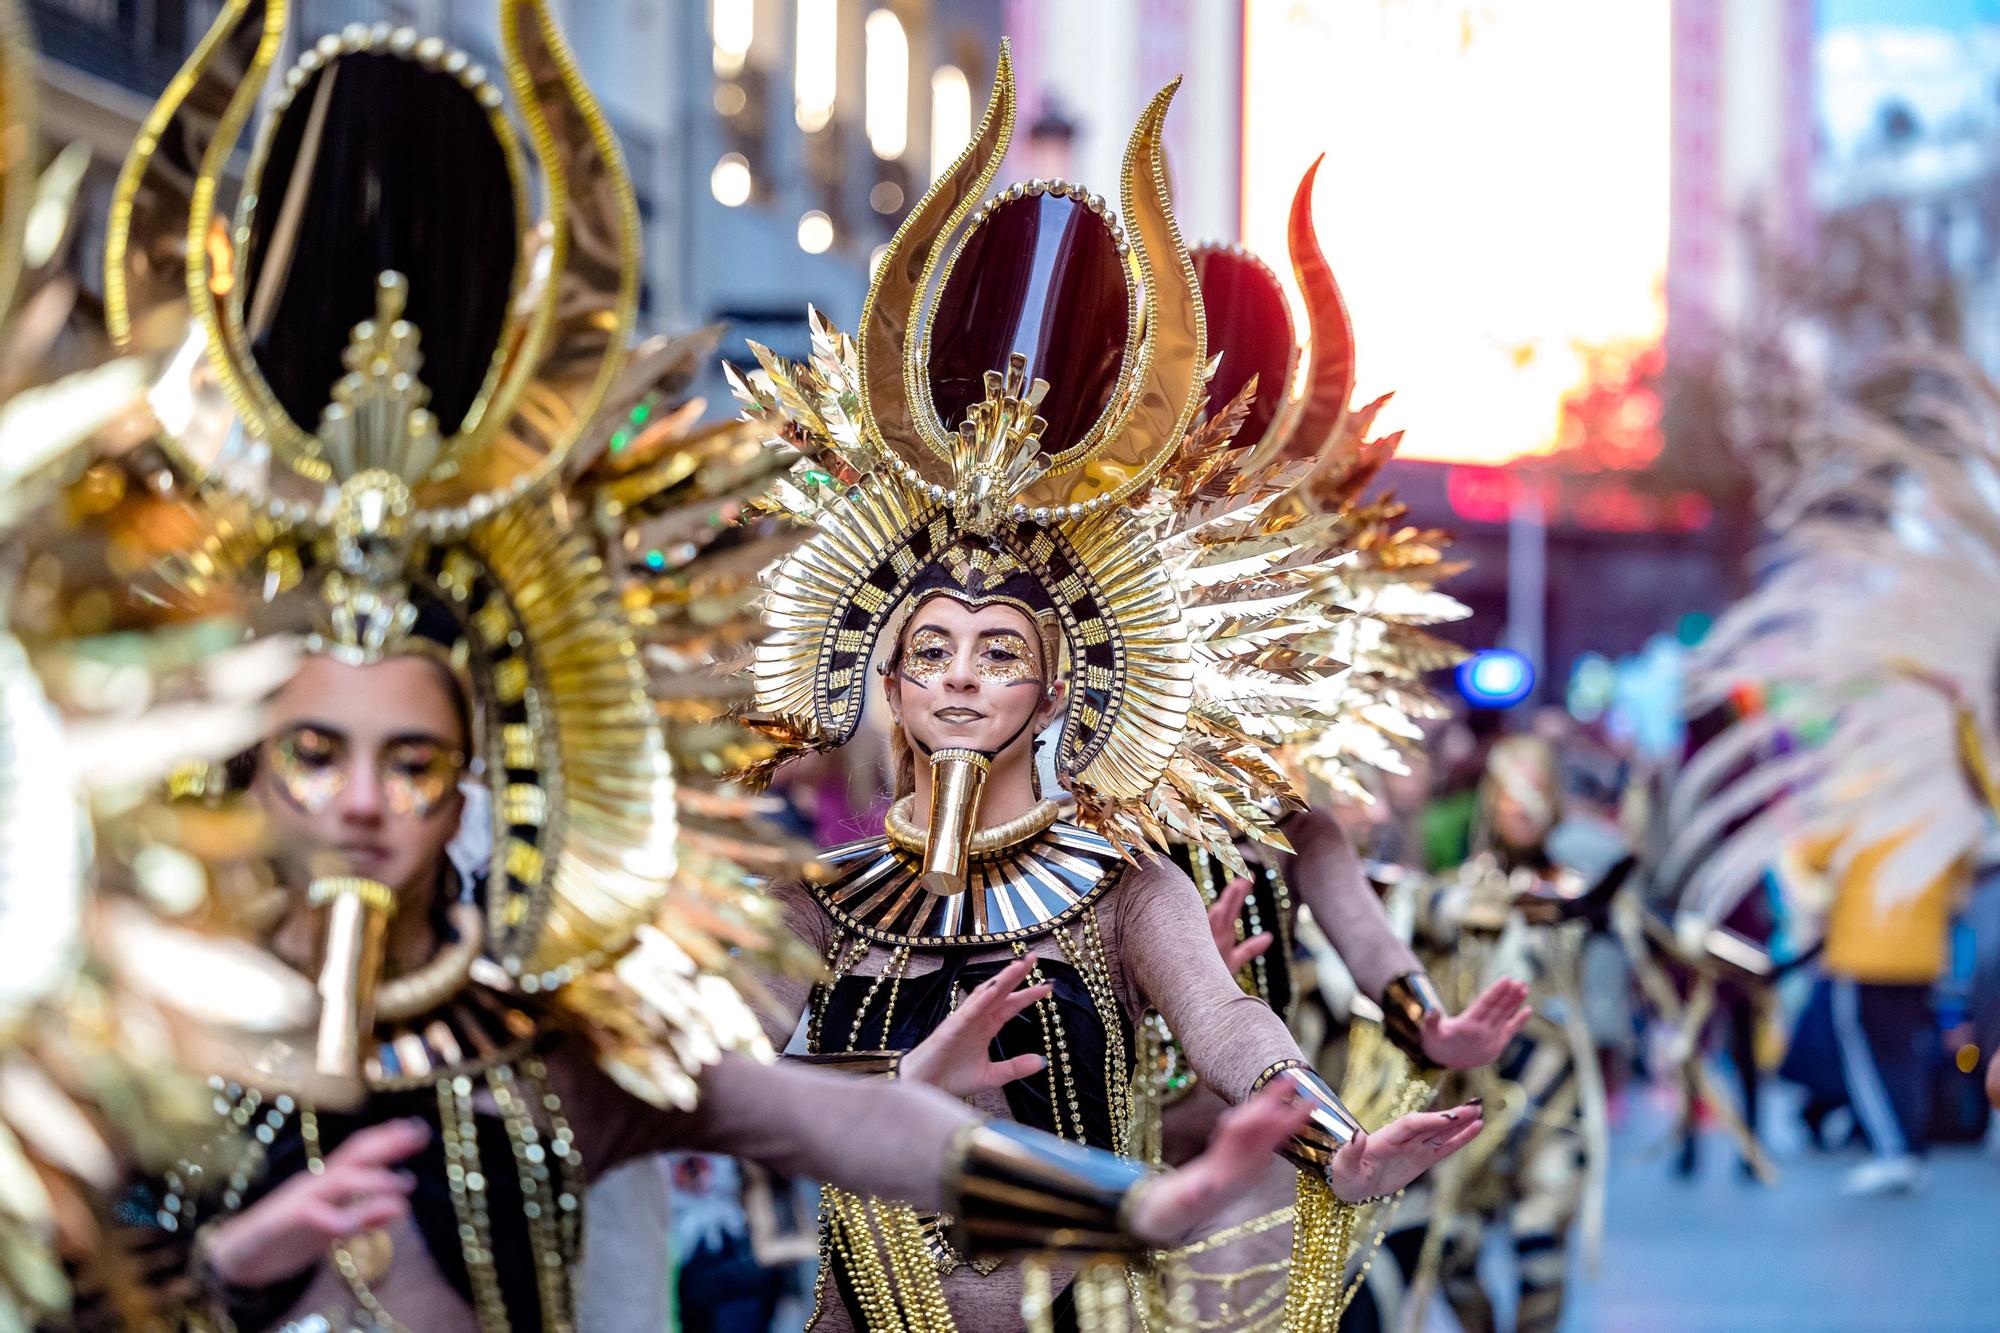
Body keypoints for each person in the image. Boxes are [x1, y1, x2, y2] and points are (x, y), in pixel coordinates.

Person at [101, 11, 1354, 1330]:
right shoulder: (141, 1021)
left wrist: (1136, 1205)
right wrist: (238, 1271)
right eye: (317, 752)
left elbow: (845, 1126)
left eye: (410, 760)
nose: (362, 800)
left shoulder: (554, 1046)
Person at [731, 54, 1484, 1331]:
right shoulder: (817, 900)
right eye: (930, 650)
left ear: (1059, 679)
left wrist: (1342, 1126)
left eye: (998, 652)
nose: (961, 679)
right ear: (882, 673)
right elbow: (735, 1102)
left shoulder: (1127, 887)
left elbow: (1231, 1024)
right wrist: (910, 1083)